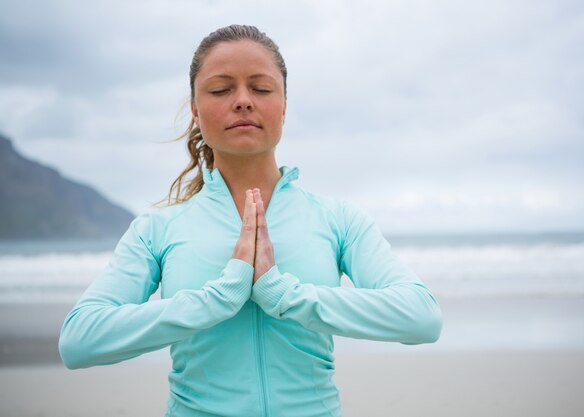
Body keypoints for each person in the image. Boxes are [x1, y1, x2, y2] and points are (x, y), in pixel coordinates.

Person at [58, 24, 443, 417]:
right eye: (221, 89)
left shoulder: (338, 220)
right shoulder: (157, 231)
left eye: (260, 88)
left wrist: (285, 296)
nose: (242, 101)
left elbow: (420, 317)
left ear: (284, 105)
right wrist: (216, 300)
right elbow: (80, 341)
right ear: (195, 109)